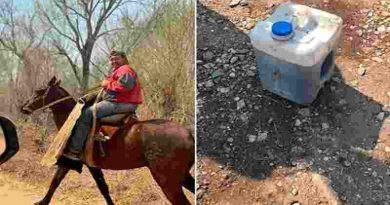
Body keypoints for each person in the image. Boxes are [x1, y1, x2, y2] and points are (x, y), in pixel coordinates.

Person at [64, 50, 143, 161]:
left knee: (87, 113)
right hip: (120, 102)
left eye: (117, 58)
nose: (114, 61)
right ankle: (95, 134)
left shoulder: (125, 69)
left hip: (122, 103)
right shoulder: (118, 71)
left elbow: (126, 86)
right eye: (111, 60)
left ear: (124, 59)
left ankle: (74, 151)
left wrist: (107, 84)